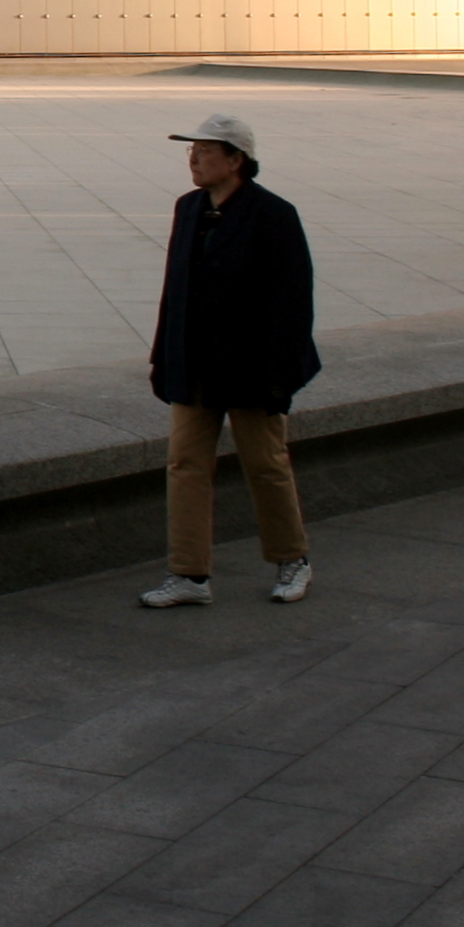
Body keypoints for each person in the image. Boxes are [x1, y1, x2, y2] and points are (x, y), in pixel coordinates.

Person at [140, 112, 320, 608]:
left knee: (265, 464)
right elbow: (174, 291)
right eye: (190, 151)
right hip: (194, 366)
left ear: (237, 160)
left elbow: (292, 303)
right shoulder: (190, 208)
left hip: (251, 369)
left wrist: (280, 375)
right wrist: (163, 358)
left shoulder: (273, 215)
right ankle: (189, 574)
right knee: (185, 465)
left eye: (205, 150)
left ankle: (292, 560)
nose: (193, 159)